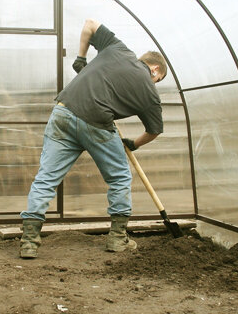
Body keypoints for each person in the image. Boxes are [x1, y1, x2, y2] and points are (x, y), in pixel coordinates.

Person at [19, 18, 167, 259]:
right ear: (155, 69)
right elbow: (154, 130)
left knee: (46, 178)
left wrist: (81, 58)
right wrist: (134, 144)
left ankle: (29, 242)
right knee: (120, 177)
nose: (154, 85)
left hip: (63, 113)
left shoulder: (117, 48)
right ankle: (118, 239)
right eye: (157, 81)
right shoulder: (150, 94)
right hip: (96, 124)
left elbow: (89, 24)